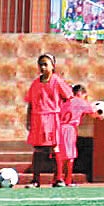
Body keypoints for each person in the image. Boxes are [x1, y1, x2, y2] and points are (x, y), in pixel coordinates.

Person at [25, 53, 73, 188]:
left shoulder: (57, 81)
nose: (43, 67)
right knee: (38, 148)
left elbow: (68, 96)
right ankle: (35, 180)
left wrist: (61, 112)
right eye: (40, 64)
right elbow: (30, 102)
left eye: (46, 64)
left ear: (53, 66)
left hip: (52, 118)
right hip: (38, 118)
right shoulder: (35, 83)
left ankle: (58, 179)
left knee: (54, 146)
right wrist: (28, 119)